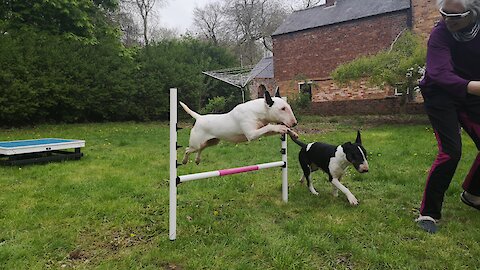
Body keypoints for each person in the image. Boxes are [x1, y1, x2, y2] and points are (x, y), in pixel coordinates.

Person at [416, 0, 480, 233]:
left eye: (456, 16)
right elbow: (440, 73)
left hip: (471, 95)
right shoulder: (440, 34)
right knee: (451, 152)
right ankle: (429, 213)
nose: (448, 21)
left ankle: (472, 194)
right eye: (444, 15)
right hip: (440, 93)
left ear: (474, 13)